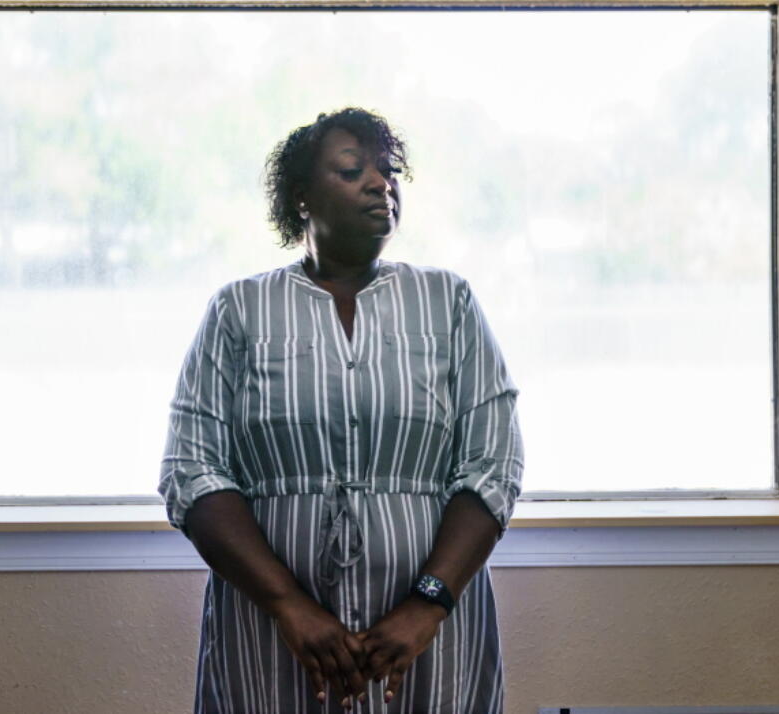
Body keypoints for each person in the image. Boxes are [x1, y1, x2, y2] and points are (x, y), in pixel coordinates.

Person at [159, 107, 524, 713]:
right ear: (301, 196)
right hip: (272, 633)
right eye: (354, 170)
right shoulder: (240, 311)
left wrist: (426, 604)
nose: (381, 184)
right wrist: (289, 606)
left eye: (388, 171)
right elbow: (192, 471)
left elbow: (493, 464)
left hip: (429, 635)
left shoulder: (448, 302)